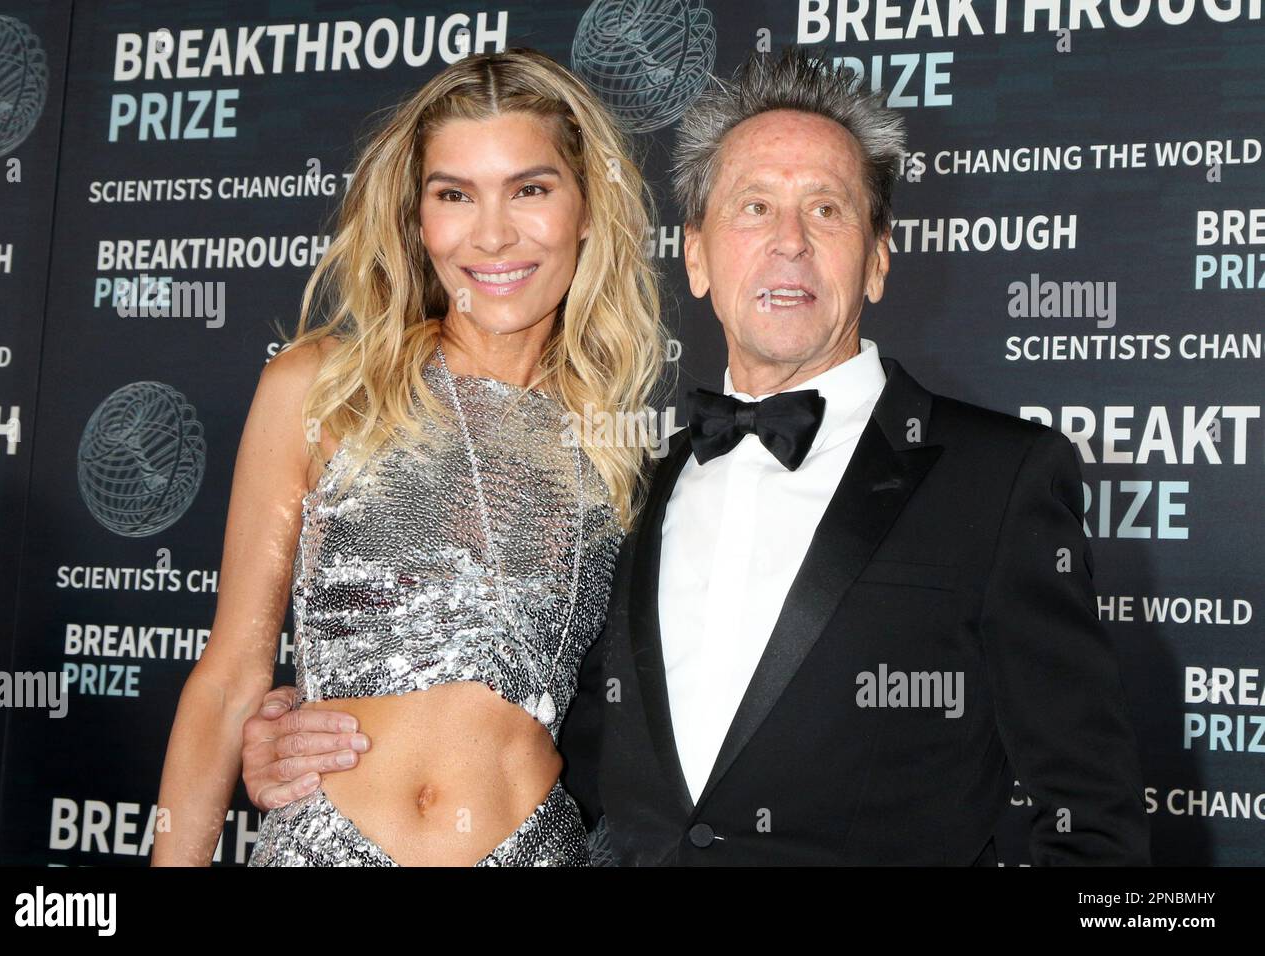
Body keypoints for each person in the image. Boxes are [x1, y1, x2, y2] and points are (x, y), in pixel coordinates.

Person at [241, 45, 1151, 866]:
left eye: (825, 209)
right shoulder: (628, 484)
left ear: (877, 259)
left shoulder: (998, 478)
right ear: (698, 256)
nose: (788, 240)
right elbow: (531, 723)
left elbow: (1096, 819)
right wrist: (295, 730)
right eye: (753, 206)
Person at [151, 47, 667, 866]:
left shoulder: (624, 447)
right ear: (416, 219)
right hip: (323, 848)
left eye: (529, 189)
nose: (493, 234)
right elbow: (228, 679)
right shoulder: (322, 388)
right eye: (454, 195)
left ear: (587, 210)